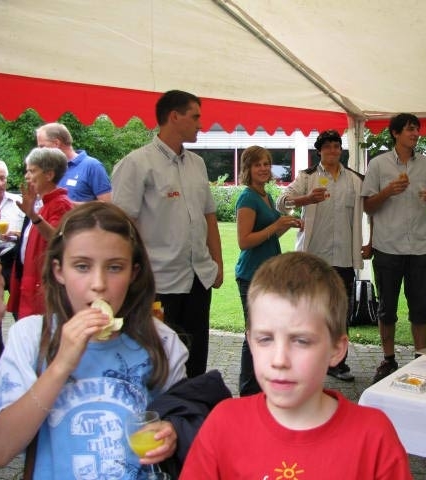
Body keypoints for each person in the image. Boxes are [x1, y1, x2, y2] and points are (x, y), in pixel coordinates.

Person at [0, 202, 189, 478]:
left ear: (133, 273)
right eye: (82, 266)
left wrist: (172, 433)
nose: (99, 283)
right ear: (59, 271)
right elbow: (1, 450)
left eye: (115, 267)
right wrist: (61, 364)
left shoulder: (164, 343)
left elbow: (181, 420)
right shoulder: (31, 336)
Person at [179, 252, 413, 479]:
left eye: (301, 341)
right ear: (250, 342)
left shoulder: (373, 438)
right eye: (265, 339)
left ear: (336, 350)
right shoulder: (223, 426)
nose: (279, 360)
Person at [112, 89, 224, 378]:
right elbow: (123, 226)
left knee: (195, 360)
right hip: (159, 282)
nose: (201, 124)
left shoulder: (197, 164)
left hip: (199, 278)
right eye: (195, 117)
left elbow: (209, 216)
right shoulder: (137, 164)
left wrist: (218, 264)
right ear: (174, 116)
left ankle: (194, 404)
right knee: (159, 363)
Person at [277, 129, 371, 382]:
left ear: (341, 150)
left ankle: (337, 363)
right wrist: (306, 199)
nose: (332, 150)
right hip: (313, 259)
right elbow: (281, 202)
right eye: (327, 146)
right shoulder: (307, 177)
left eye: (336, 146)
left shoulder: (355, 179)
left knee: (339, 313)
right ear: (319, 151)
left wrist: (370, 242)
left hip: (344, 258)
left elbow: (373, 208)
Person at [362, 113, 426, 384]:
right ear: (395, 133)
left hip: (419, 247)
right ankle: (388, 359)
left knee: (421, 308)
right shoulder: (378, 164)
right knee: (387, 308)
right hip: (388, 246)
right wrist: (388, 191)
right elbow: (367, 206)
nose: (416, 133)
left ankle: (420, 358)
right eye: (410, 129)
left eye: (417, 129)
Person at [235, 146, 300, 396]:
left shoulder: (266, 195)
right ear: (248, 169)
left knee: (269, 332)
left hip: (270, 274)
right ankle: (247, 392)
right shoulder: (248, 198)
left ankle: (263, 386)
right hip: (251, 275)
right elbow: (244, 241)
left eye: (266, 164)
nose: (263, 168)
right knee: (255, 333)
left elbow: (269, 236)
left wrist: (287, 224)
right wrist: (275, 225)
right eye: (257, 165)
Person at [7, 148, 74, 319]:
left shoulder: (60, 204)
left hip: (43, 287)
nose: (27, 176)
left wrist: (33, 216)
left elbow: (57, 239)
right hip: (32, 283)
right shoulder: (42, 204)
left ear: (49, 175)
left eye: (32, 171)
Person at [0, 159, 25, 368]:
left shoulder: (18, 203)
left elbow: (29, 234)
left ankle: (22, 352)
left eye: (2, 178)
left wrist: (14, 235)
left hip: (11, 259)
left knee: (19, 310)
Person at [36, 122, 112, 203]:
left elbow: (106, 204)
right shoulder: (49, 170)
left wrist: (68, 204)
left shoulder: (92, 166)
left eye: (42, 146)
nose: (39, 151)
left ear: (56, 143)